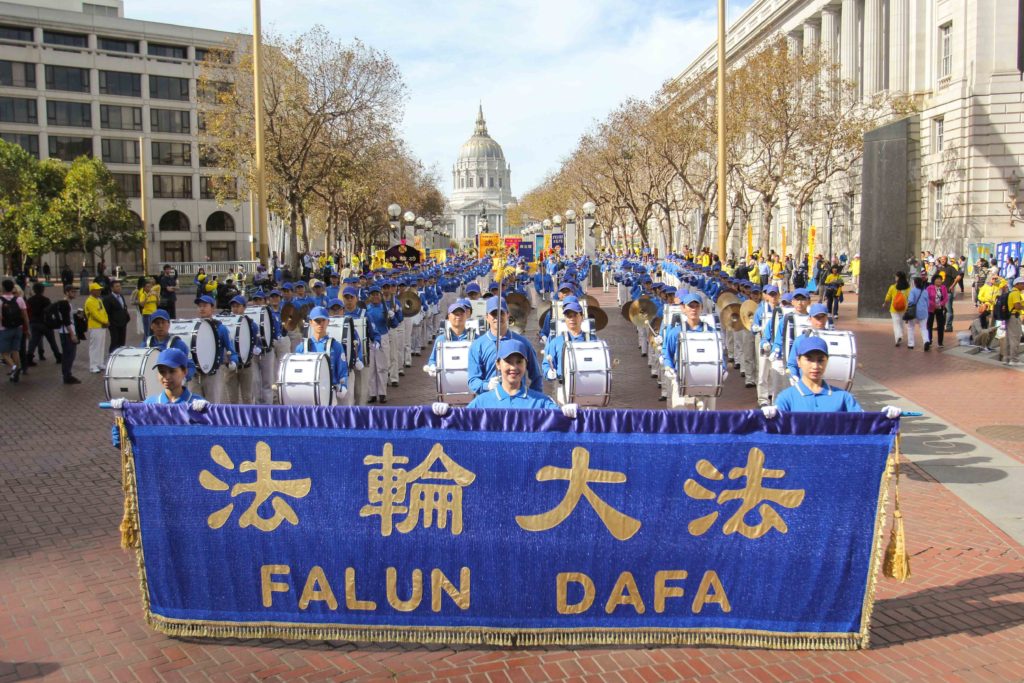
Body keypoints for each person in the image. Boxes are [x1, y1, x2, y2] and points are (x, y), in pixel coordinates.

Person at [432, 339, 570, 413]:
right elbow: (460, 425)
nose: (513, 368)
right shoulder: (481, 403)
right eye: (508, 362)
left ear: (526, 364)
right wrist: (445, 415)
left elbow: (562, 420)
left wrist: (570, 414)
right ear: (498, 364)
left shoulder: (540, 402)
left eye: (519, 362)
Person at [110, 348, 209, 448]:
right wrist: (122, 417)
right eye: (162, 372)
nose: (166, 376)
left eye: (172, 371)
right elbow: (125, 443)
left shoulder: (197, 404)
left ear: (184, 371)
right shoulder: (149, 404)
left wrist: (207, 415)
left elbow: (209, 441)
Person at [467, 297, 544, 395]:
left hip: (517, 401)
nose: (497, 317)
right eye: (493, 314)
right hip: (490, 402)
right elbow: (473, 380)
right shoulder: (477, 346)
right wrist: (487, 385)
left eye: (501, 313)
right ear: (486, 317)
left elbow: (537, 376)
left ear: (508, 315)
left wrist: (533, 399)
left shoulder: (523, 343)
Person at [661, 292, 724, 411]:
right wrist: (668, 367)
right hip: (681, 379)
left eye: (696, 306)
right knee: (681, 417)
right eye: (690, 306)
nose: (693, 309)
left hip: (706, 380)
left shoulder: (711, 332)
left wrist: (723, 370)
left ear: (701, 308)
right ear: (684, 308)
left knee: (707, 418)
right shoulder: (675, 332)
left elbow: (719, 354)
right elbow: (667, 352)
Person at [769, 337, 865, 413]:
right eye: (809, 359)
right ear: (798, 361)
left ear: (827, 361)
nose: (815, 366)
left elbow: (862, 425)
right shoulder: (787, 398)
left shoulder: (843, 397)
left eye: (820, 360)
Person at [188, 294, 238, 403]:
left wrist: (233, 361)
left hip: (214, 373)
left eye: (205, 305)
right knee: (193, 406)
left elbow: (231, 350)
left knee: (213, 406)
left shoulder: (221, 328)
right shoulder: (192, 327)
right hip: (195, 373)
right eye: (199, 306)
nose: (201, 308)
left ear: (213, 308)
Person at [296, 306, 348, 404]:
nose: (320, 324)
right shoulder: (302, 347)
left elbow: (342, 369)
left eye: (323, 320)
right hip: (307, 393)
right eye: (317, 321)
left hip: (329, 391)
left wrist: (344, 385)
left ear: (328, 322)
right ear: (311, 322)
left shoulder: (336, 346)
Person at [224, 295, 261, 404]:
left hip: (246, 366)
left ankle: (249, 420)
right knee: (232, 398)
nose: (235, 309)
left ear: (244, 308)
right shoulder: (226, 323)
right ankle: (234, 420)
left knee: (247, 397)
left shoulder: (252, 325)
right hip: (230, 367)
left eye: (238, 306)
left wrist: (256, 348)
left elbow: (256, 342)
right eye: (233, 306)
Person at [141, 309, 195, 380]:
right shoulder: (145, 345)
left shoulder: (178, 344)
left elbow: (191, 366)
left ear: (169, 325)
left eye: (163, 322)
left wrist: (183, 378)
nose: (160, 326)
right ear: (151, 326)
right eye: (157, 323)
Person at [51, 285, 81, 384]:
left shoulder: (67, 304)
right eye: (72, 292)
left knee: (68, 355)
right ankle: (67, 375)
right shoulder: (65, 304)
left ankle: (67, 374)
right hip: (66, 333)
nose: (74, 293)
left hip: (66, 332)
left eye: (75, 292)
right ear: (67, 292)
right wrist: (72, 334)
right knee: (69, 355)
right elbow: (66, 321)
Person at [1, 279, 30, 383]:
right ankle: (16, 373)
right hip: (18, 328)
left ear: (3, 288)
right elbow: (25, 316)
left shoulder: (0, 300)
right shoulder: (19, 299)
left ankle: (14, 367)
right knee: (15, 350)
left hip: (4, 329)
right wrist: (27, 329)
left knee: (4, 353)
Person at [25, 282, 61, 366]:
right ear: (43, 290)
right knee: (52, 341)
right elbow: (50, 311)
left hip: (34, 322)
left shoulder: (30, 300)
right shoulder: (46, 300)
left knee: (33, 342)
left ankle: (29, 358)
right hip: (45, 323)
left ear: (33, 290)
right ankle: (58, 356)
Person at [84, 281, 109, 373]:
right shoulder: (90, 301)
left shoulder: (99, 300)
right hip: (95, 326)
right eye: (97, 290)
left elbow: (103, 311)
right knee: (95, 346)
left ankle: (100, 363)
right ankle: (93, 365)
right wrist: (104, 322)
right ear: (92, 291)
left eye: (100, 290)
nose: (99, 291)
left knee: (101, 345)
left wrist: (106, 321)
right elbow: (94, 314)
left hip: (102, 326)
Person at [883, 271, 912, 346]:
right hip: (904, 308)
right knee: (902, 323)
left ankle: (898, 337)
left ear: (898, 278)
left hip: (894, 309)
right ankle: (901, 336)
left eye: (896, 277)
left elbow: (888, 297)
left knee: (896, 324)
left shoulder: (893, 287)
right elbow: (910, 298)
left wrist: (885, 304)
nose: (895, 278)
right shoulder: (908, 288)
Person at [102, 279, 131, 353]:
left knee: (122, 341)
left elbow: (124, 307)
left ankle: (120, 355)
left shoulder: (121, 296)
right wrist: (109, 322)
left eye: (119, 286)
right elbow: (106, 312)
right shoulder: (108, 299)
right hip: (114, 324)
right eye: (117, 286)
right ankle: (112, 356)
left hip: (123, 322)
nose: (119, 288)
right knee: (115, 341)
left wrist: (126, 316)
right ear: (112, 288)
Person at [925, 273, 949, 350]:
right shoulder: (929, 288)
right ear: (934, 280)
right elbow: (927, 298)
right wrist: (933, 304)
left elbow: (946, 298)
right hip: (931, 309)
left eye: (940, 279)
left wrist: (940, 304)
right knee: (929, 325)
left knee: (941, 325)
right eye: (937, 279)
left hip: (940, 308)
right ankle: (929, 340)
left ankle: (940, 342)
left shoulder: (943, 287)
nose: (939, 280)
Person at [905, 276, 930, 350]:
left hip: (913, 312)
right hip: (923, 312)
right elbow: (928, 303)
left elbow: (911, 301)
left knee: (911, 327)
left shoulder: (913, 291)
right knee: (923, 328)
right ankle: (926, 341)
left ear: (915, 283)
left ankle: (911, 344)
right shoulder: (925, 291)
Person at [1004, 277, 1024, 366]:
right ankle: (1014, 359)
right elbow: (1017, 306)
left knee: (1009, 338)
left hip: (1010, 318)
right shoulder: (1016, 293)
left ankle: (1007, 359)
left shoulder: (1012, 292)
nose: (1023, 285)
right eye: (1022, 283)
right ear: (1016, 284)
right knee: (1015, 339)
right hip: (1014, 318)